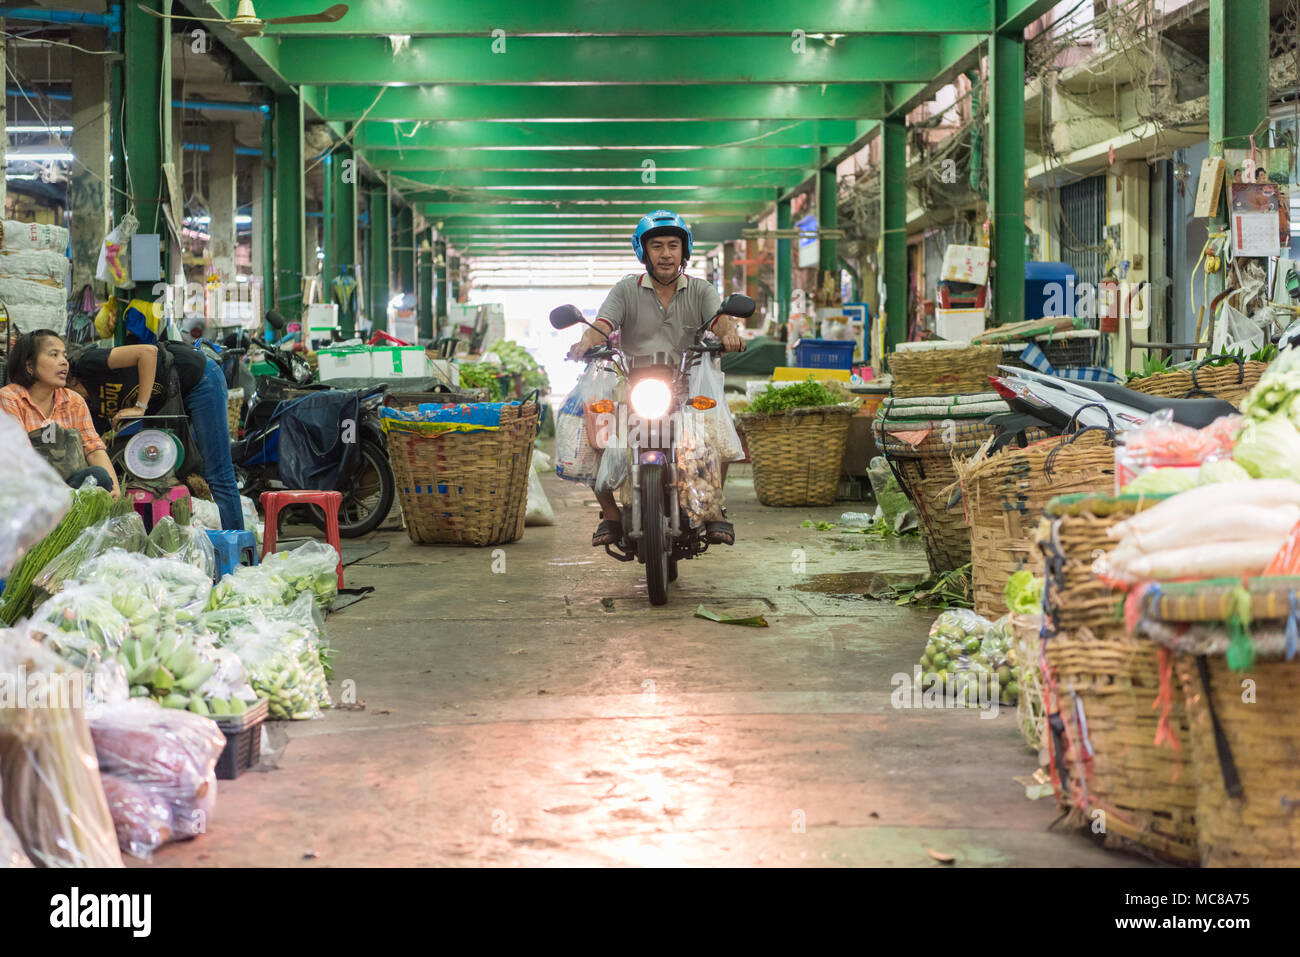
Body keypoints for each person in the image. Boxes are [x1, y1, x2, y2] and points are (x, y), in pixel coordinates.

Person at [567, 209, 745, 547]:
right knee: (595, 435)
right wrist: (585, 342)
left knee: (717, 432)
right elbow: (603, 325)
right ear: (644, 252)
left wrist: (730, 335)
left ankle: (713, 510)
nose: (666, 254)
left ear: (684, 251)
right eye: (658, 246)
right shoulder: (625, 290)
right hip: (633, 383)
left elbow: (720, 321)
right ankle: (610, 514)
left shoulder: (701, 289)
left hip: (688, 384)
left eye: (673, 245)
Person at [65, 338, 243, 531]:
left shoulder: (87, 363)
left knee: (218, 473)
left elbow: (148, 353)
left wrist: (139, 407)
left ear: (70, 380)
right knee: (163, 473)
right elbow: (93, 448)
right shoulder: (86, 408)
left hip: (199, 378)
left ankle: (236, 547)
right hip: (166, 399)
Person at [0, 329, 120, 496]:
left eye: (64, 355)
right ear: (29, 366)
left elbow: (93, 448)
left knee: (100, 476)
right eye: (54, 355)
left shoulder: (74, 401)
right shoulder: (9, 398)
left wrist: (114, 488)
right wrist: (67, 494)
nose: (64, 361)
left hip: (66, 490)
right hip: (25, 490)